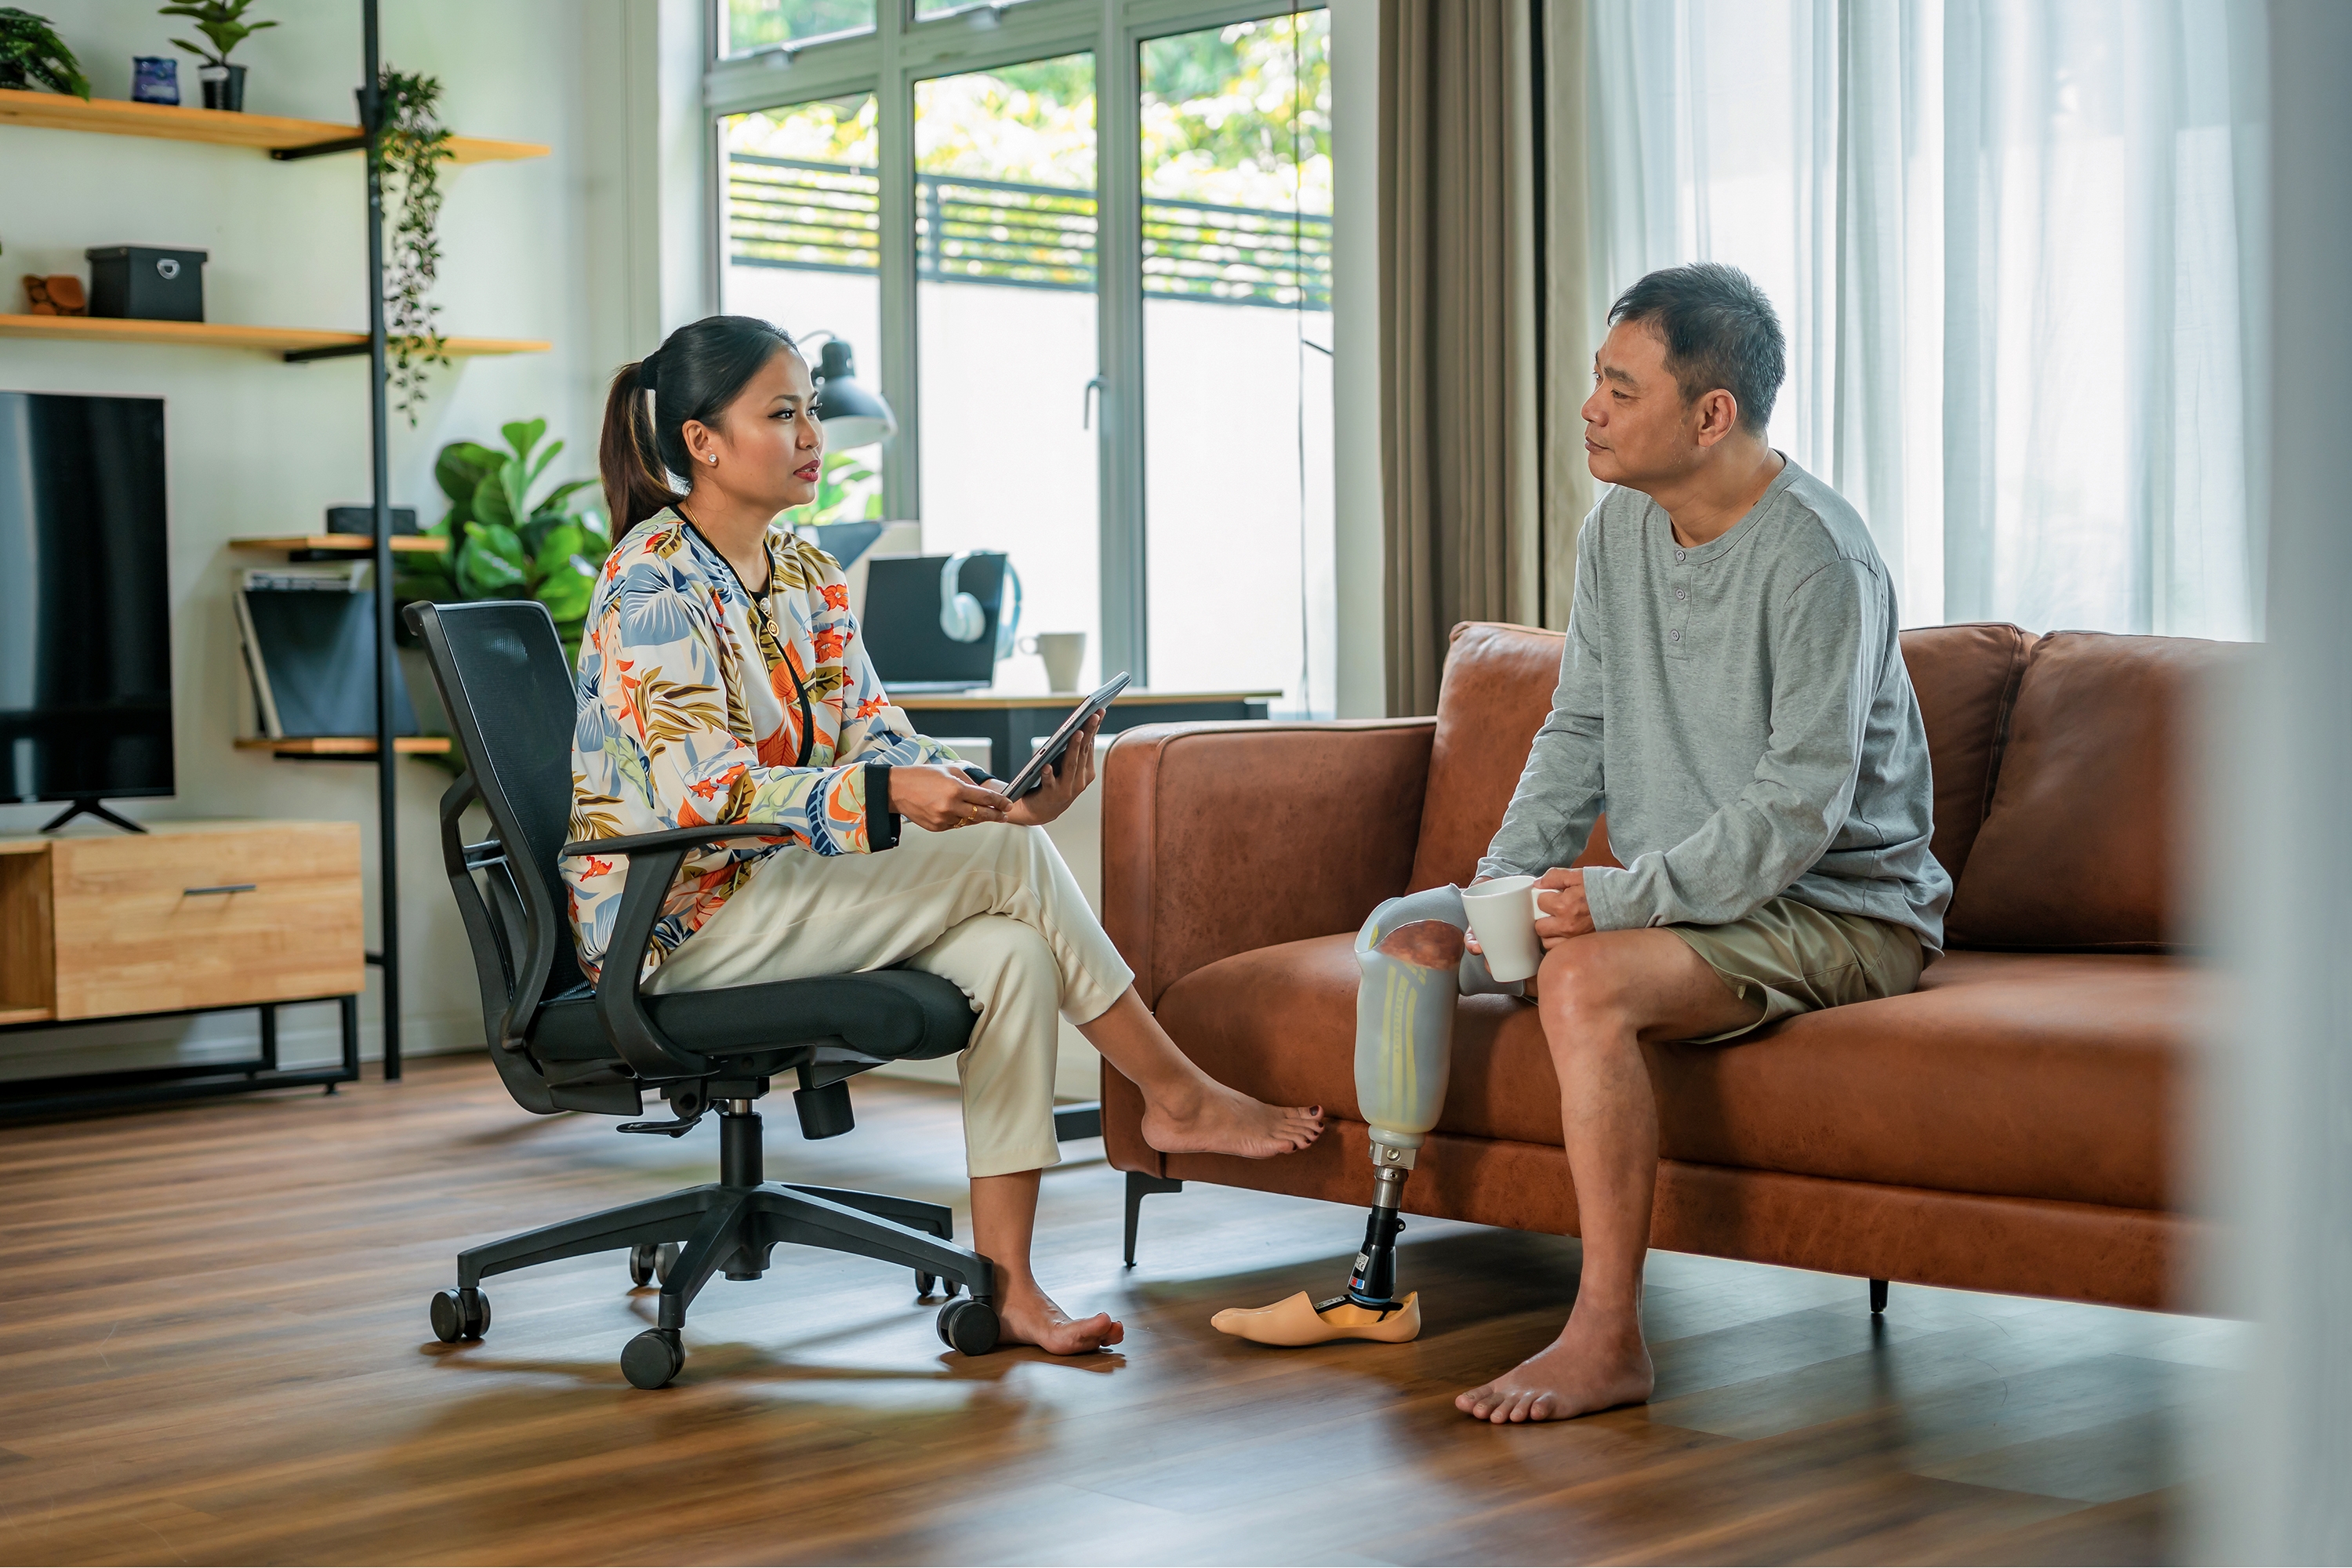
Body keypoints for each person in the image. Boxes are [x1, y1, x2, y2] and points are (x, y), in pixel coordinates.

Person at [568, 314, 1324, 1356]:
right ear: (701, 441)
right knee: (1009, 875)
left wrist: (998, 802)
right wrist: (891, 804)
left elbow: (879, 736)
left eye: (811, 412)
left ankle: (1011, 1287)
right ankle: (1176, 1091)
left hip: (787, 892)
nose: (810, 437)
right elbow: (703, 797)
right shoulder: (650, 583)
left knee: (1013, 950)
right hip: (679, 918)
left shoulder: (803, 574)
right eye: (779, 414)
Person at [1443, 263, 1952, 1421]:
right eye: (1595, 383)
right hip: (1706, 904)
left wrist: (1621, 903)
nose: (1590, 410)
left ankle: (1607, 1337)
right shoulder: (1620, 529)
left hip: (1842, 908)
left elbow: (1797, 815)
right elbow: (1577, 730)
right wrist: (1497, 892)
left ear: (1710, 414)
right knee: (1466, 949)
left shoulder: (1821, 558)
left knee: (1578, 986)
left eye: (1620, 389)